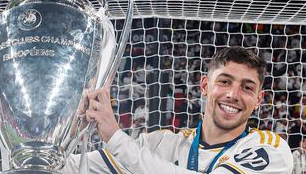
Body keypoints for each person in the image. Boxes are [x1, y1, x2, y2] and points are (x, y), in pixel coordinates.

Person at [62, 46, 293, 174]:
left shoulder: (268, 149)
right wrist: (70, 130)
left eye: (247, 87)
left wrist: (115, 137)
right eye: (224, 81)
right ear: (205, 86)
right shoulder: (160, 144)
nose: (233, 95)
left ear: (258, 99)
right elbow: (67, 169)